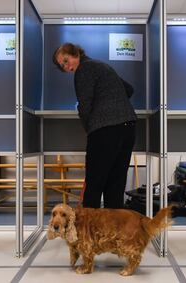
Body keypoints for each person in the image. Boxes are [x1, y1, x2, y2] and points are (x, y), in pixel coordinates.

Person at [53, 43, 137, 209]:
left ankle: (88, 233)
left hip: (105, 130)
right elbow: (129, 89)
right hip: (128, 127)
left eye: (65, 60)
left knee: (94, 184)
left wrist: (90, 130)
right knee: (116, 184)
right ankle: (112, 232)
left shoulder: (83, 70)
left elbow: (85, 107)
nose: (66, 66)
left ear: (75, 53)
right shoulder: (102, 66)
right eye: (62, 65)